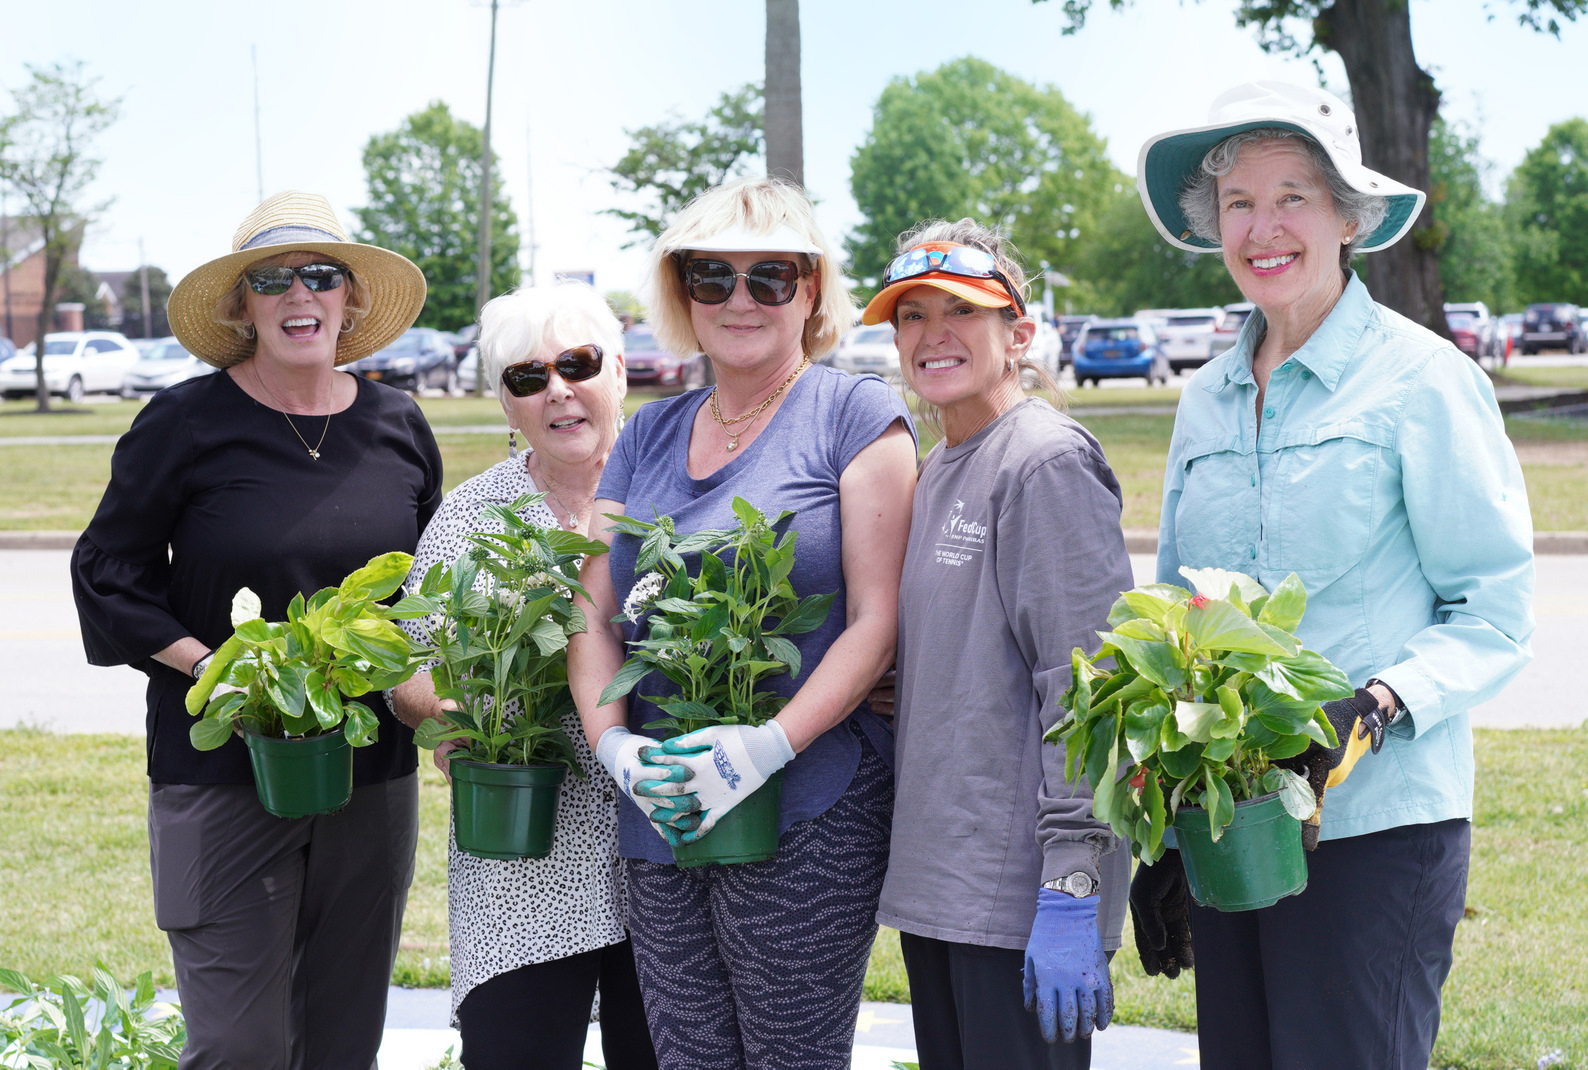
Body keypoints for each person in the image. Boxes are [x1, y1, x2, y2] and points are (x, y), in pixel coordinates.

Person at [1133, 82, 1535, 1068]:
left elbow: (1494, 609)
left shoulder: (1423, 378)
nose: (1262, 227)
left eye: (1292, 196)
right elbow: (1182, 621)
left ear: (1349, 216)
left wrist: (1383, 699)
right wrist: (1162, 834)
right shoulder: (1204, 402)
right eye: (1237, 203)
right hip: (1234, 832)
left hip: (1373, 836)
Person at [71, 191, 440, 1068]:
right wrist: (221, 670)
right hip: (222, 773)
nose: (298, 294)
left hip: (370, 773)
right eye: (273, 279)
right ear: (243, 306)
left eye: (321, 276)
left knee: (343, 1041)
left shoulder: (397, 424)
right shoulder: (187, 422)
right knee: (239, 1047)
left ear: (349, 301)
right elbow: (107, 572)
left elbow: (428, 591)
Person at [565, 175, 919, 1070]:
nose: (740, 298)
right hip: (663, 807)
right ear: (682, 295)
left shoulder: (855, 417)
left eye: (772, 275)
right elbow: (591, 611)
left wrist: (766, 746)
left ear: (810, 290)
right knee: (688, 1059)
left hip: (808, 804)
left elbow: (876, 622)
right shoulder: (647, 434)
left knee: (791, 1058)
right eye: (712, 275)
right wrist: (616, 750)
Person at [863, 220, 1134, 1070]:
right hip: (944, 885)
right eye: (911, 315)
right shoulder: (944, 462)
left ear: (1018, 334)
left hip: (1021, 901)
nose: (932, 334)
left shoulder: (1043, 461)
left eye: (961, 311)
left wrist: (1072, 885)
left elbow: (1088, 690)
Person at [389, 282, 656, 1070]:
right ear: (507, 405)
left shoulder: (673, 493)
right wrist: (444, 713)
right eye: (527, 377)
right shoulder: (474, 517)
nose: (558, 391)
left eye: (577, 363)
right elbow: (407, 662)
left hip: (668, 858)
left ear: (619, 374)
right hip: (522, 875)